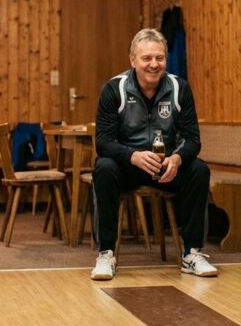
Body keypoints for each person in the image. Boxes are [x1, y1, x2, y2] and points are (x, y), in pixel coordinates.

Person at [90, 28, 218, 281]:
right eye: (147, 58)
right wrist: (132, 156)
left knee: (198, 169)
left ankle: (192, 253)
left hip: (165, 168)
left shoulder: (179, 88)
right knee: (103, 167)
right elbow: (103, 142)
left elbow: (193, 139)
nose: (153, 64)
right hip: (128, 166)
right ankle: (105, 253)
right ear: (133, 60)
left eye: (159, 58)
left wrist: (178, 158)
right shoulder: (113, 89)